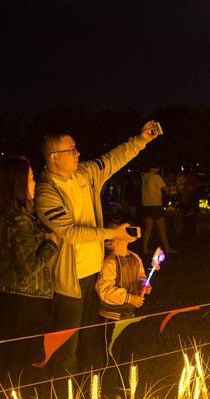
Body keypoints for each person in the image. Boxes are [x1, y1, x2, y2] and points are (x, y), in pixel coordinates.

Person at [35, 121, 160, 372]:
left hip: (95, 274)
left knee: (91, 340)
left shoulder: (85, 174)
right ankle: (64, 398)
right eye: (71, 150)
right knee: (66, 346)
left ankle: (87, 395)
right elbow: (69, 232)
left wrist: (141, 139)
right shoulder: (46, 193)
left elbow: (112, 159)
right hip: (70, 282)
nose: (78, 153)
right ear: (54, 157)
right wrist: (111, 233)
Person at [0, 156, 60, 383]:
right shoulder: (19, 220)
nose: (35, 182)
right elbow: (29, 267)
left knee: (7, 363)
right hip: (26, 304)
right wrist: (52, 243)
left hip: (8, 300)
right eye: (30, 178)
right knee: (23, 365)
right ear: (17, 184)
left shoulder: (3, 215)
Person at [96, 223, 150, 361]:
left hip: (129, 315)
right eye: (120, 232)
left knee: (127, 353)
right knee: (111, 354)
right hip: (112, 317)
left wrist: (144, 285)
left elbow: (141, 276)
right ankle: (109, 381)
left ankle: (125, 381)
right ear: (111, 241)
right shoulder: (110, 262)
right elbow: (104, 290)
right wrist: (129, 298)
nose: (126, 233)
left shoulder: (135, 258)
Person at [140, 165, 177, 254]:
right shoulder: (156, 177)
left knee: (147, 229)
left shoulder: (145, 176)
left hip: (146, 205)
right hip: (156, 205)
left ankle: (145, 249)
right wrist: (170, 188)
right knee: (162, 228)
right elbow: (167, 190)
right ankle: (167, 248)